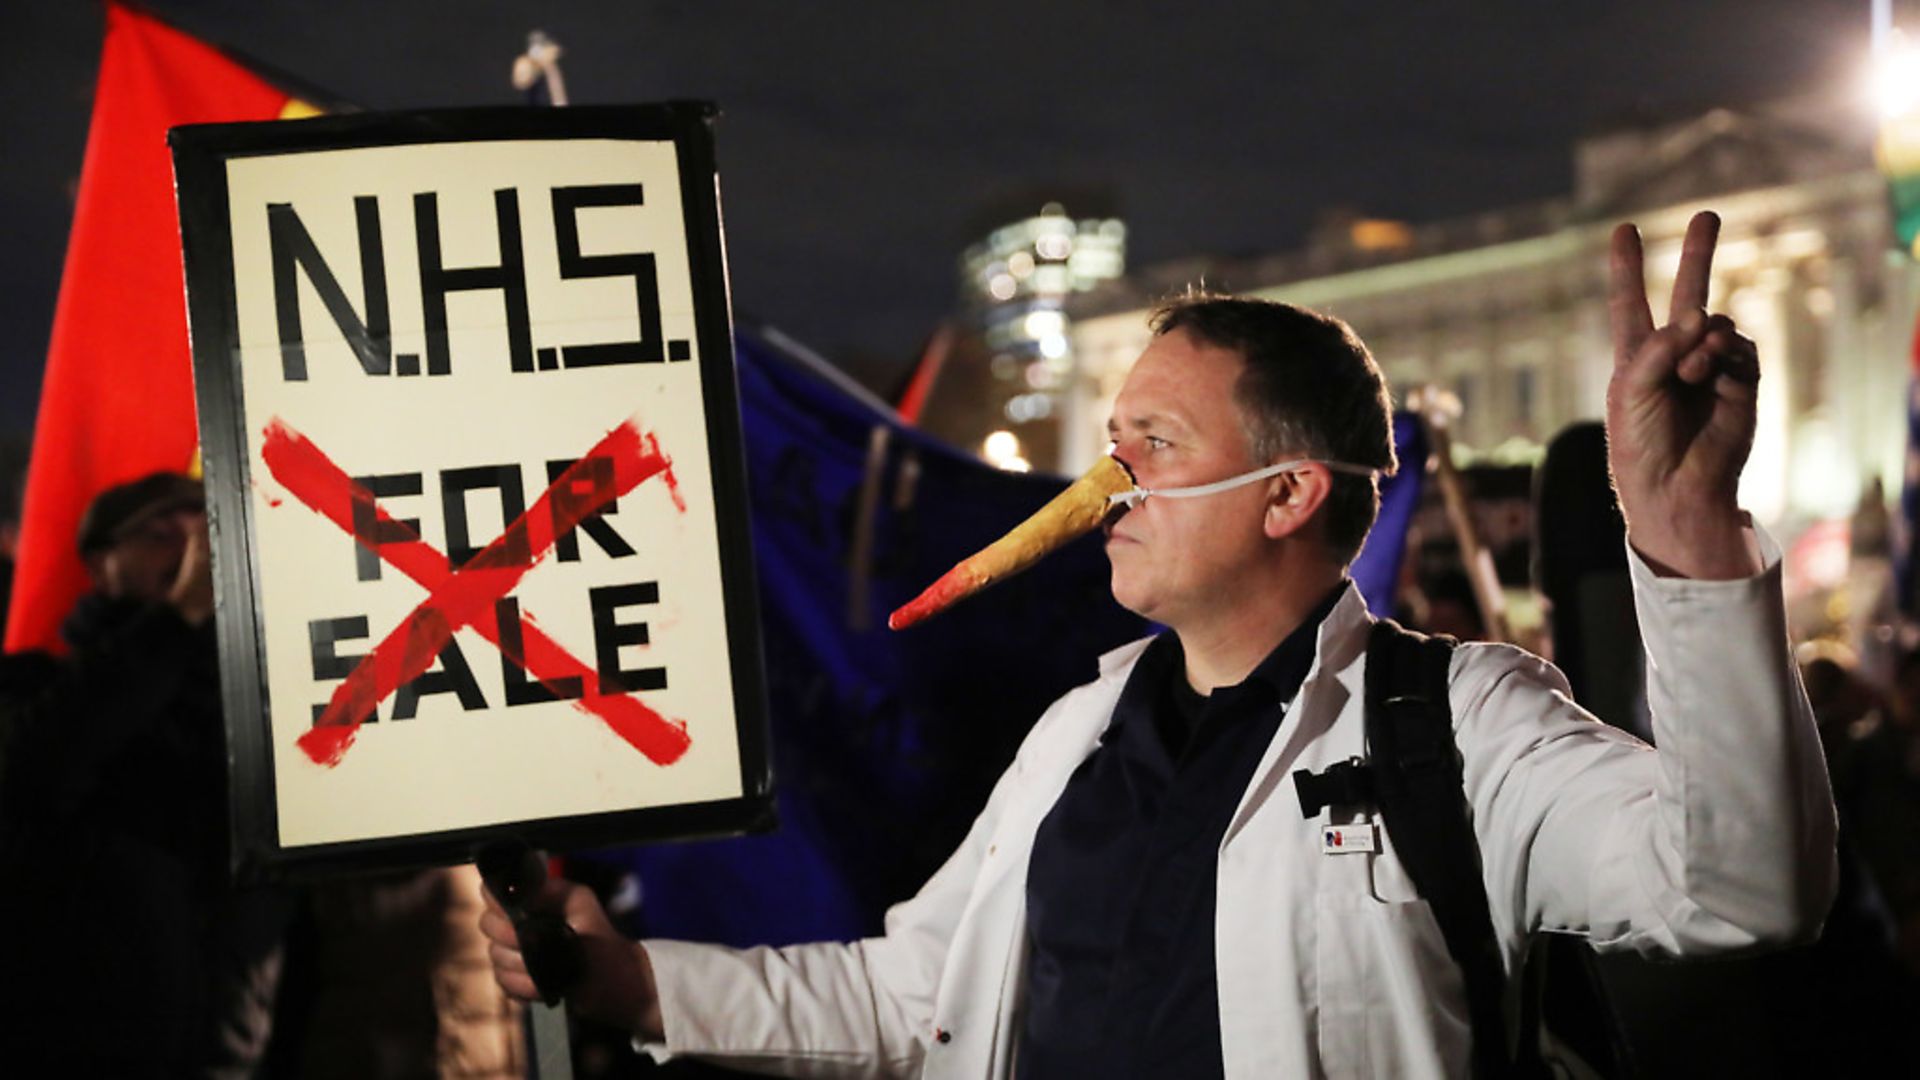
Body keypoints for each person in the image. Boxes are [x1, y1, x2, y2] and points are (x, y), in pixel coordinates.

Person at [481, 211, 1837, 1077]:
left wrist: (1689, 534)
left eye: (1157, 445)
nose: (1102, 482)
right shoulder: (1074, 737)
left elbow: (1741, 891)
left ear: (1289, 494)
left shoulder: (1463, 725)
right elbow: (915, 996)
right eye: (1113, 440)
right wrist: (634, 980)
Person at [0, 472, 289, 1076]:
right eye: (162, 534)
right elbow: (44, 762)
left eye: (205, 535)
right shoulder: (35, 689)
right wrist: (181, 613)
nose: (190, 552)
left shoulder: (263, 715)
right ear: (101, 563)